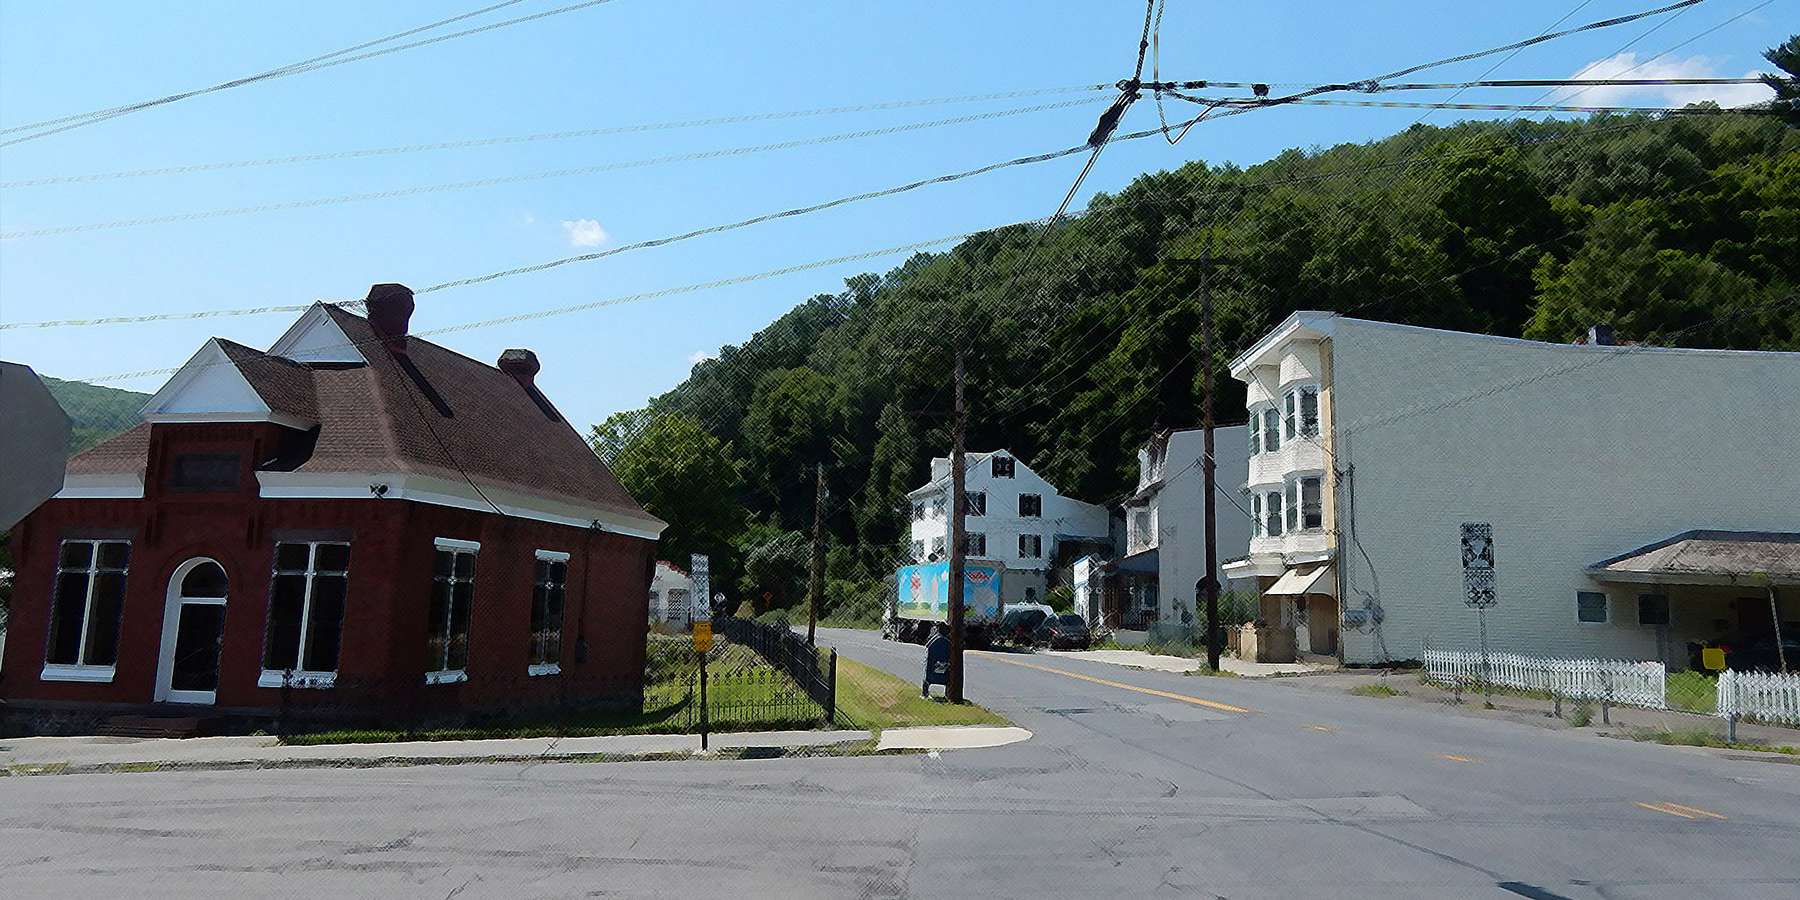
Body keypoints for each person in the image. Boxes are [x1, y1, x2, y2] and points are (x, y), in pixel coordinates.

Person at [923, 623, 950, 698]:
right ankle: (946, 694)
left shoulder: (935, 640)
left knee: (927, 678)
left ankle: (925, 693)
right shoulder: (948, 642)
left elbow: (927, 646)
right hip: (944, 667)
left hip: (933, 667)